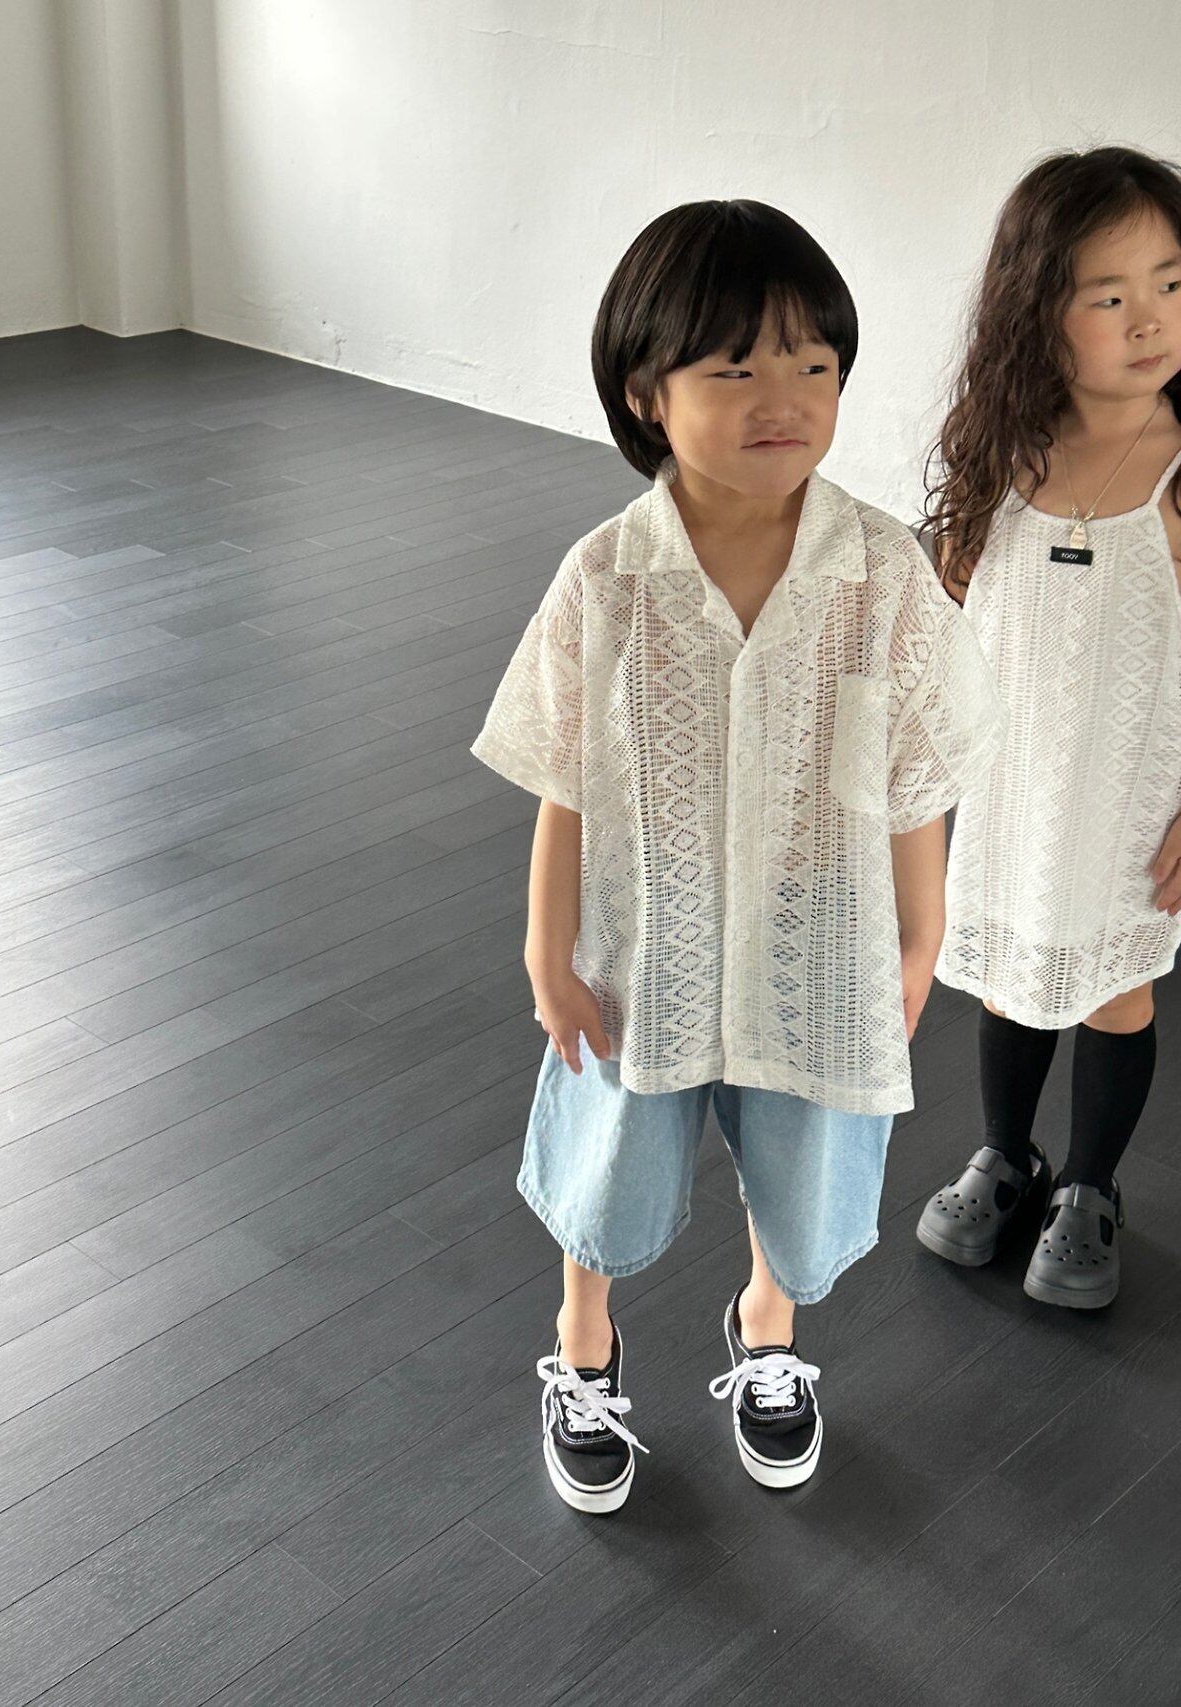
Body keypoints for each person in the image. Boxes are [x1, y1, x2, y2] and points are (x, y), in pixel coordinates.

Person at [470, 199, 1004, 1513]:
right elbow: (567, 778)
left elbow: (914, 773)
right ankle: (583, 1339)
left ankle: (767, 1328)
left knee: (803, 1154)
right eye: (735, 367)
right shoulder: (606, 576)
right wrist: (546, 947)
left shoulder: (881, 574)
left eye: (814, 364)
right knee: (610, 1157)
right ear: (645, 391)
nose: (785, 399)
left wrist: (921, 934)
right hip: (642, 938)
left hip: (818, 938)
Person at [918, 146, 1181, 1310]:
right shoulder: (999, 458)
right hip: (1013, 790)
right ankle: (1003, 1155)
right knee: (1008, 980)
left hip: (1133, 800)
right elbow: (957, 619)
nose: (1149, 319)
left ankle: (1087, 1187)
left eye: (1170, 283)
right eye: (1107, 295)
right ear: (1035, 311)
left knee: (1111, 993)